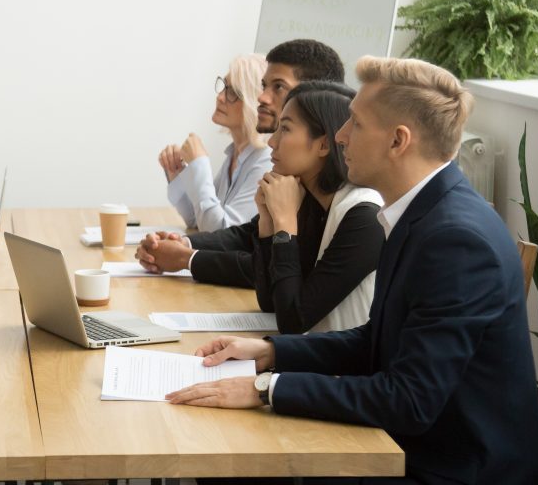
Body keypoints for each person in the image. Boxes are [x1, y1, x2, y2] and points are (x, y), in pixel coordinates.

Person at [165, 57, 538, 484]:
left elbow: (410, 399)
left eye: (354, 123)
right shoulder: (421, 212)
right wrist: (272, 353)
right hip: (422, 447)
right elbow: (377, 339)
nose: (340, 136)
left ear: (398, 141)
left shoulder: (456, 241)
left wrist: (267, 388)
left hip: (460, 469)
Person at [140, 82, 385, 333]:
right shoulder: (311, 201)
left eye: (286, 129)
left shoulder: (364, 217)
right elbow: (270, 303)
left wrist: (285, 226)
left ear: (324, 144)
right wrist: (268, 224)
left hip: (342, 371)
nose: (272, 142)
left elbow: (293, 320)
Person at [141, 38, 347, 291]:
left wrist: (186, 257)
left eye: (278, 87)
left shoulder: (347, 205)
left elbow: (272, 277)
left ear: (315, 95)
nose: (262, 97)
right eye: (263, 86)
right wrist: (181, 244)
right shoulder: (293, 174)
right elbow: (243, 235)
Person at [158, 54, 273, 231]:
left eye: (233, 92)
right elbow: (198, 220)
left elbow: (222, 232)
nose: (220, 97)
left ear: (253, 102)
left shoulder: (265, 161)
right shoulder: (236, 153)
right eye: (224, 86)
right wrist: (177, 172)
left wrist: (200, 165)